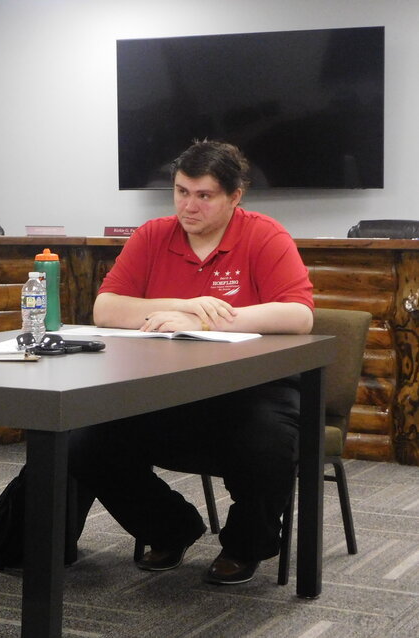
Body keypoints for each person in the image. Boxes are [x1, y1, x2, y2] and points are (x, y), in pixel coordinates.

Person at [69, 140, 314, 585]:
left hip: (253, 389)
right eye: (182, 192)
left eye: (204, 196)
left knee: (267, 442)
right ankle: (170, 527)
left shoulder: (264, 234)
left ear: (234, 196)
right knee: (86, 442)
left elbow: (299, 315)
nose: (189, 205)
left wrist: (203, 318)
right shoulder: (152, 235)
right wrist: (185, 303)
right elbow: (106, 309)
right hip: (167, 387)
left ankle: (246, 545)